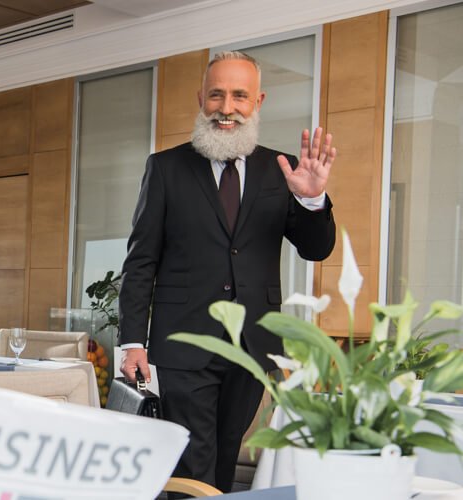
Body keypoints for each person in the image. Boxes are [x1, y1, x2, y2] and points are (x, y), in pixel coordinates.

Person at [117, 51, 337, 493]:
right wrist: (133, 341)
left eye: (239, 96)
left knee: (224, 454)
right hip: (184, 344)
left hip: (251, 346)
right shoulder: (166, 168)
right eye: (216, 95)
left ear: (258, 101)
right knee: (193, 459)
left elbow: (316, 249)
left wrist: (312, 200)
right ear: (201, 98)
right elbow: (141, 260)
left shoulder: (283, 172)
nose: (226, 107)